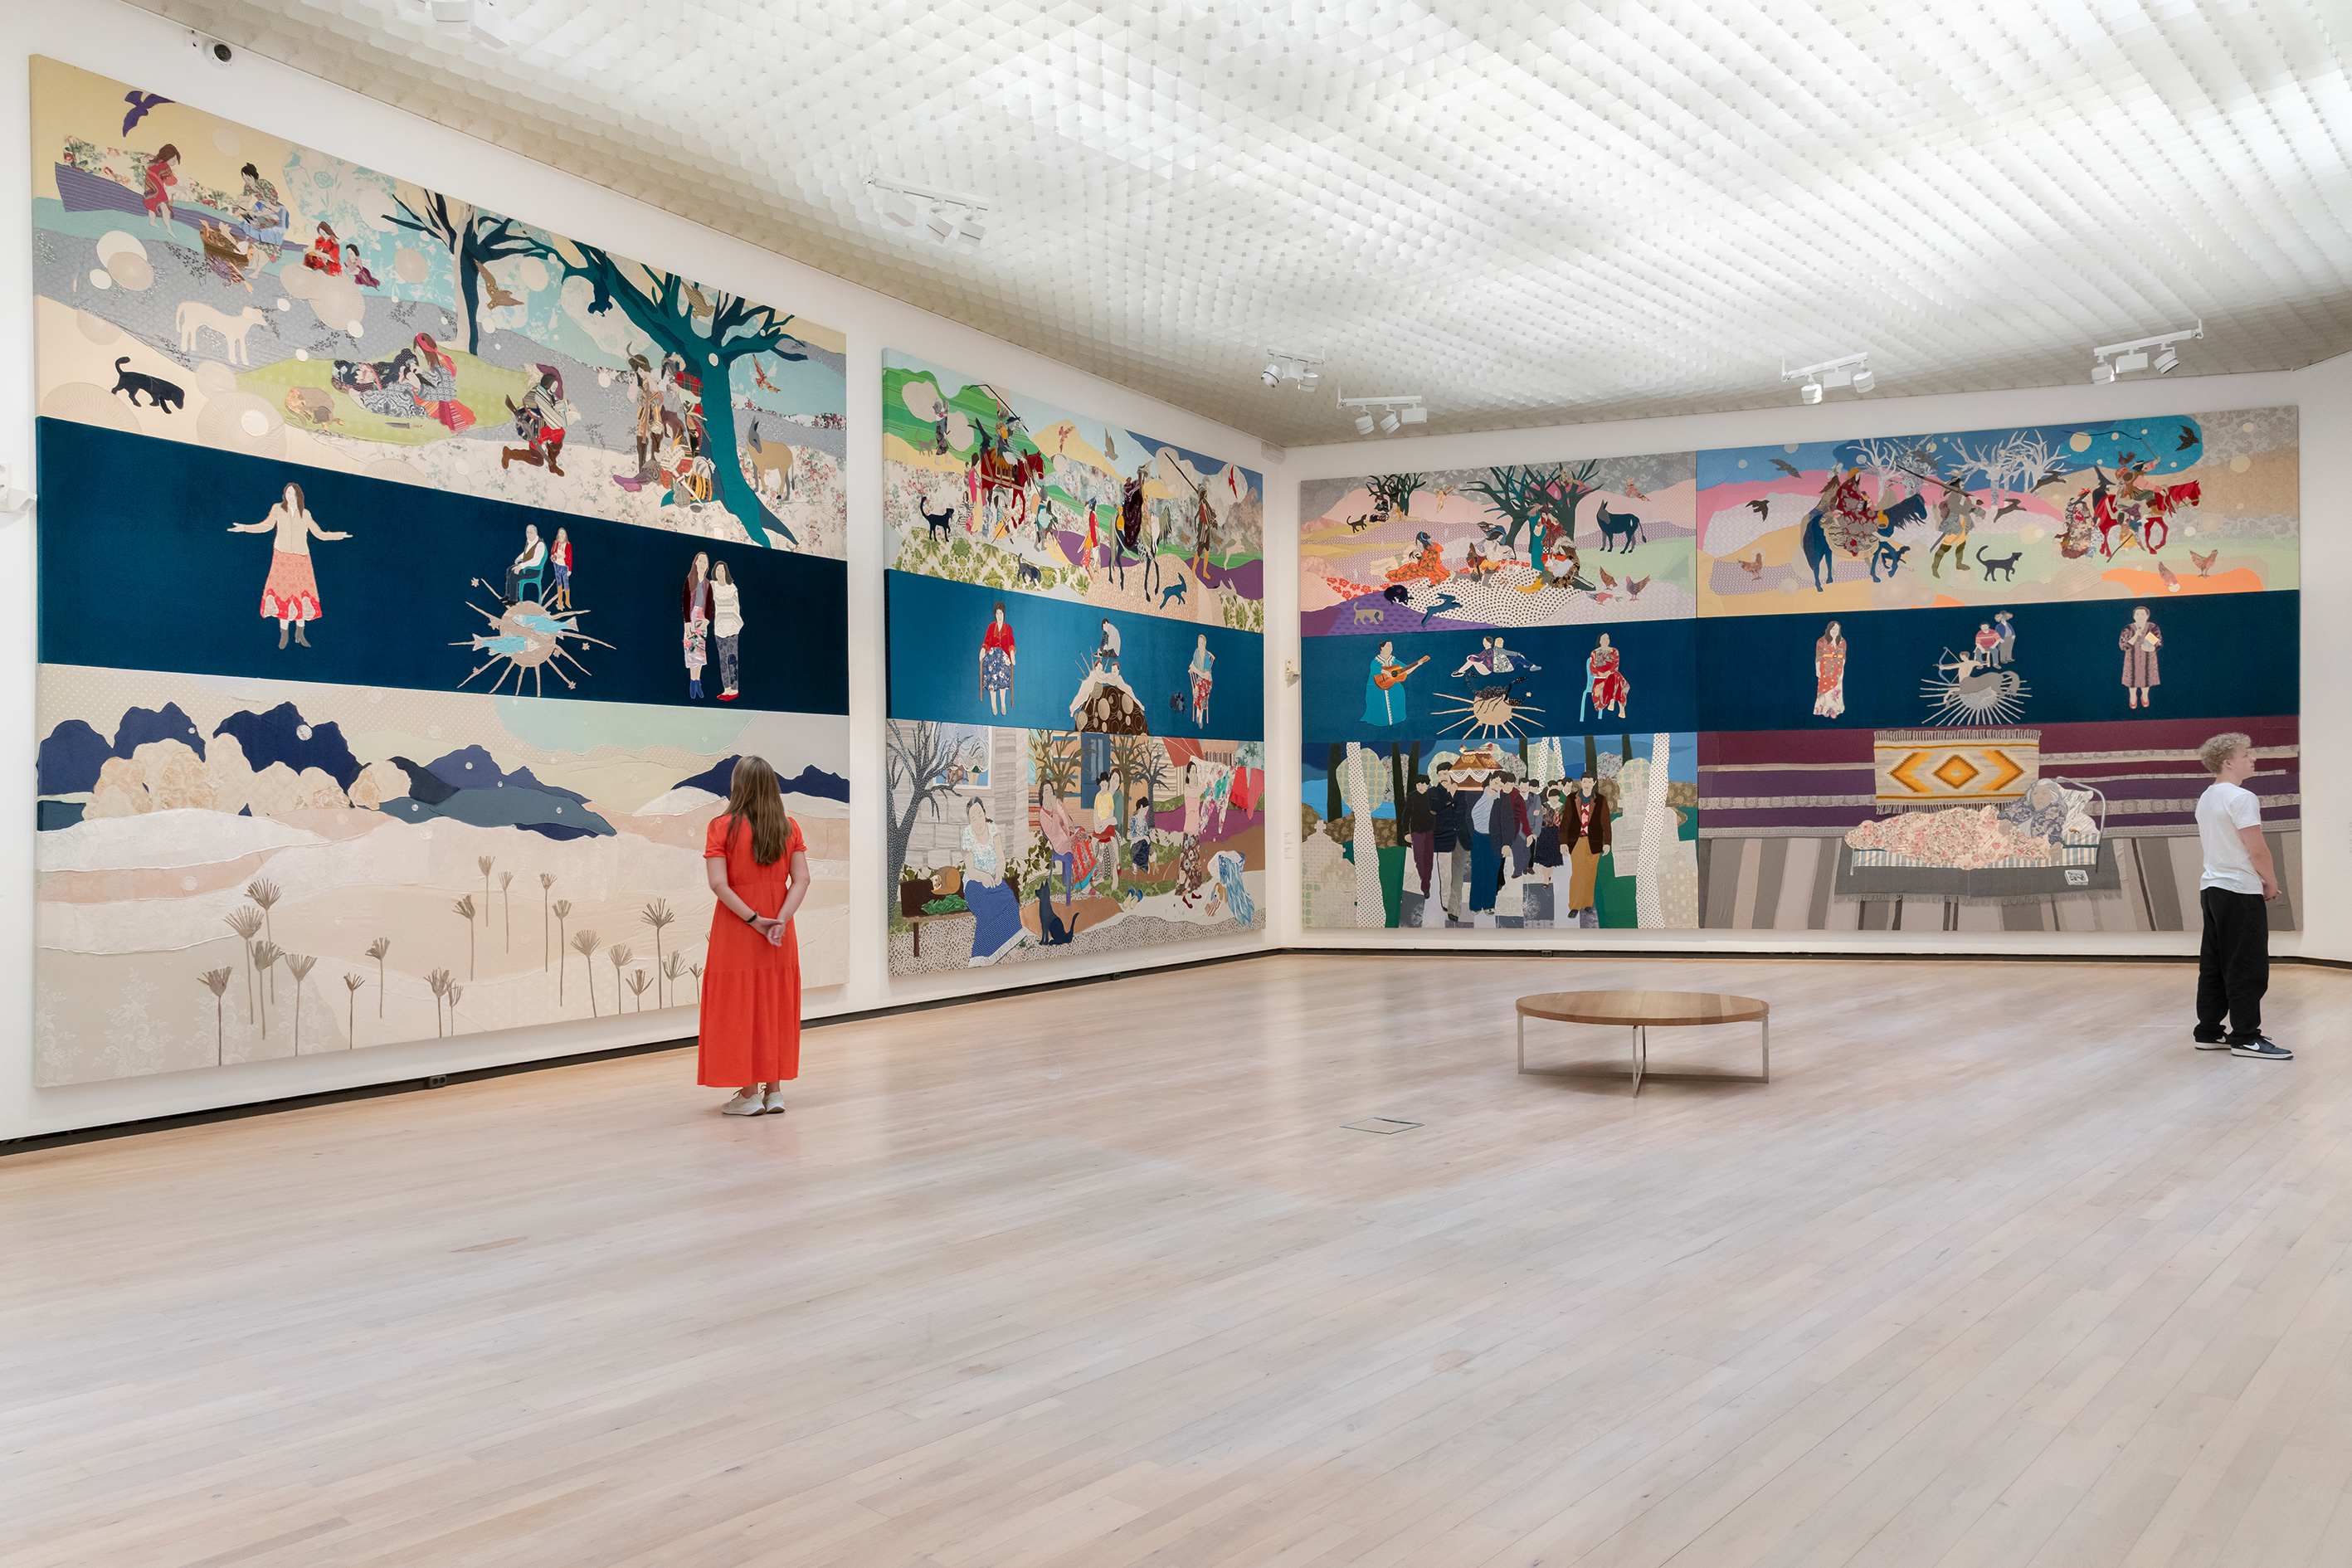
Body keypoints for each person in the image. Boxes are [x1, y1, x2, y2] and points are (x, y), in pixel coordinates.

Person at [699, 756, 811, 1114]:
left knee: (739, 1006)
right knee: (774, 1003)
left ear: (738, 786)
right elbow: (802, 880)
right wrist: (779, 919)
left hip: (737, 928)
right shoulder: (788, 828)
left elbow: (719, 884)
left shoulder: (721, 827)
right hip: (779, 931)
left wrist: (753, 919)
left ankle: (748, 1094)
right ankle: (774, 1092)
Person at [2192, 733, 2288, 1060]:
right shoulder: (2241, 797)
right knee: (2247, 966)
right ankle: (2246, 1037)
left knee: (2215, 964)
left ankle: (2208, 1032)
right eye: (2246, 754)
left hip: (2213, 890)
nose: (2253, 759)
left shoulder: (2207, 797)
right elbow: (2257, 849)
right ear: (2228, 762)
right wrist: (2271, 882)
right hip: (2238, 891)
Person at [226, 482, 349, 649]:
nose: (290, 497)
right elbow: (266, 526)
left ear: (299, 496)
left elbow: (319, 534)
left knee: (302, 594)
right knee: (283, 594)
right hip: (282, 557)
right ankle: (284, 635)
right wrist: (244, 528)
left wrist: (339, 535)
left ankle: (300, 634)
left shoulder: (305, 513)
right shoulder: (278, 509)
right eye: (288, 493)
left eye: (293, 494)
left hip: (301, 559)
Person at [959, 800, 1023, 965]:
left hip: (994, 879)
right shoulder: (967, 834)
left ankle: (1008, 942)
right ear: (970, 821)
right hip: (974, 883)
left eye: (979, 814)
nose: (977, 819)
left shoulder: (993, 829)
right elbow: (971, 870)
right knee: (988, 903)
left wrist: (999, 873)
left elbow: (1001, 859)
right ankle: (985, 954)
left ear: (985, 813)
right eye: (973, 817)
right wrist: (983, 877)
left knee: (1010, 900)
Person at [710, 561, 743, 701]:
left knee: (732, 658)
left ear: (726, 572)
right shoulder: (713, 586)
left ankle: (735, 689)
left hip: (732, 627)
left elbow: (736, 606)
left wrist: (736, 624)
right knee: (722, 659)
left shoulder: (732, 588)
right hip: (719, 627)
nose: (720, 573)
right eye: (717, 570)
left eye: (722, 570)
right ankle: (727, 689)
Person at [682, 552, 713, 699]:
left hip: (702, 620)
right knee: (691, 650)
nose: (702, 564)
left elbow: (710, 605)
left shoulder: (708, 584)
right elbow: (685, 602)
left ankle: (697, 682)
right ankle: (692, 682)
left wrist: (707, 620)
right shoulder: (690, 580)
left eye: (705, 562)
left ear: (707, 566)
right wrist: (687, 622)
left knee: (700, 652)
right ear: (695, 563)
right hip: (691, 618)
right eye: (700, 561)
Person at [2121, 605, 2162, 709]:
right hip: (2132, 658)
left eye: (2142, 614)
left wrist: (2152, 648)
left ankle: (2145, 696)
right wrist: (2135, 636)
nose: (2140, 616)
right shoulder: (2127, 628)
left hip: (2148, 657)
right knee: (2132, 680)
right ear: (2134, 616)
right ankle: (2133, 697)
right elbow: (2123, 646)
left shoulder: (2153, 627)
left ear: (2147, 615)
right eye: (2137, 614)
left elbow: (2158, 641)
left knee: (2146, 678)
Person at [980, 601, 1015, 717]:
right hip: (992, 656)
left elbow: (1011, 644)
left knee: (1003, 680)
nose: (999, 615)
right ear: (995, 615)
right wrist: (983, 650)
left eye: (1001, 613)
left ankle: (1003, 704)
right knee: (992, 680)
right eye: (997, 613)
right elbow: (986, 642)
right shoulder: (991, 627)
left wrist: (1012, 653)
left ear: (1004, 614)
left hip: (1004, 656)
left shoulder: (1008, 628)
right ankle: (993, 705)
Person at [502, 524, 547, 606]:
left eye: (531, 533)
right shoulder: (530, 541)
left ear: (536, 533)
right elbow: (527, 552)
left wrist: (521, 566)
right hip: (528, 567)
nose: (529, 535)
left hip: (535, 570)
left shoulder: (540, 545)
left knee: (514, 574)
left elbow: (536, 561)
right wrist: (520, 557)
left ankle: (513, 600)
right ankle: (508, 595)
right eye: (527, 532)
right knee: (509, 570)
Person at [142, 144, 181, 227]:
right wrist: (179, 185)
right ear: (167, 157)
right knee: (165, 208)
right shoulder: (164, 166)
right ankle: (169, 227)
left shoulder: (153, 164)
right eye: (173, 160)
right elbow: (169, 181)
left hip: (149, 191)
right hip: (158, 192)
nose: (174, 163)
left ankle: (152, 221)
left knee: (152, 207)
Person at [1814, 621, 1846, 718]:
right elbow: (1818, 656)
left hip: (1838, 668)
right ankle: (1825, 709)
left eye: (1837, 629)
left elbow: (1843, 656)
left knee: (1836, 689)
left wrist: (1842, 669)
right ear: (1829, 629)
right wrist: (1818, 669)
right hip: (1825, 668)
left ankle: (1834, 709)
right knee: (1824, 689)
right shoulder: (1821, 641)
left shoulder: (1842, 641)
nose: (1835, 631)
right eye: (1833, 629)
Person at [1188, 635, 1215, 726]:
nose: (1200, 645)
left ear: (1205, 644)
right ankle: (1198, 714)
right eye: (1199, 643)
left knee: (1201, 692)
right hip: (1200, 679)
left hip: (1207, 680)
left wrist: (1196, 671)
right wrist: (1193, 668)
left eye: (1202, 643)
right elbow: (1192, 664)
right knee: (1198, 690)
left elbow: (1206, 675)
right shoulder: (1196, 652)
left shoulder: (1206, 656)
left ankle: (1200, 716)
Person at [549, 527, 574, 611]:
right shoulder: (556, 542)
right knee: (559, 583)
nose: (562, 535)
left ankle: (567, 601)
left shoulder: (568, 544)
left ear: (565, 535)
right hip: (557, 565)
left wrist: (570, 569)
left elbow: (570, 557)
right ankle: (560, 601)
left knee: (566, 583)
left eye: (563, 533)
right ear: (558, 534)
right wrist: (556, 554)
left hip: (565, 566)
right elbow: (552, 551)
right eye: (560, 533)